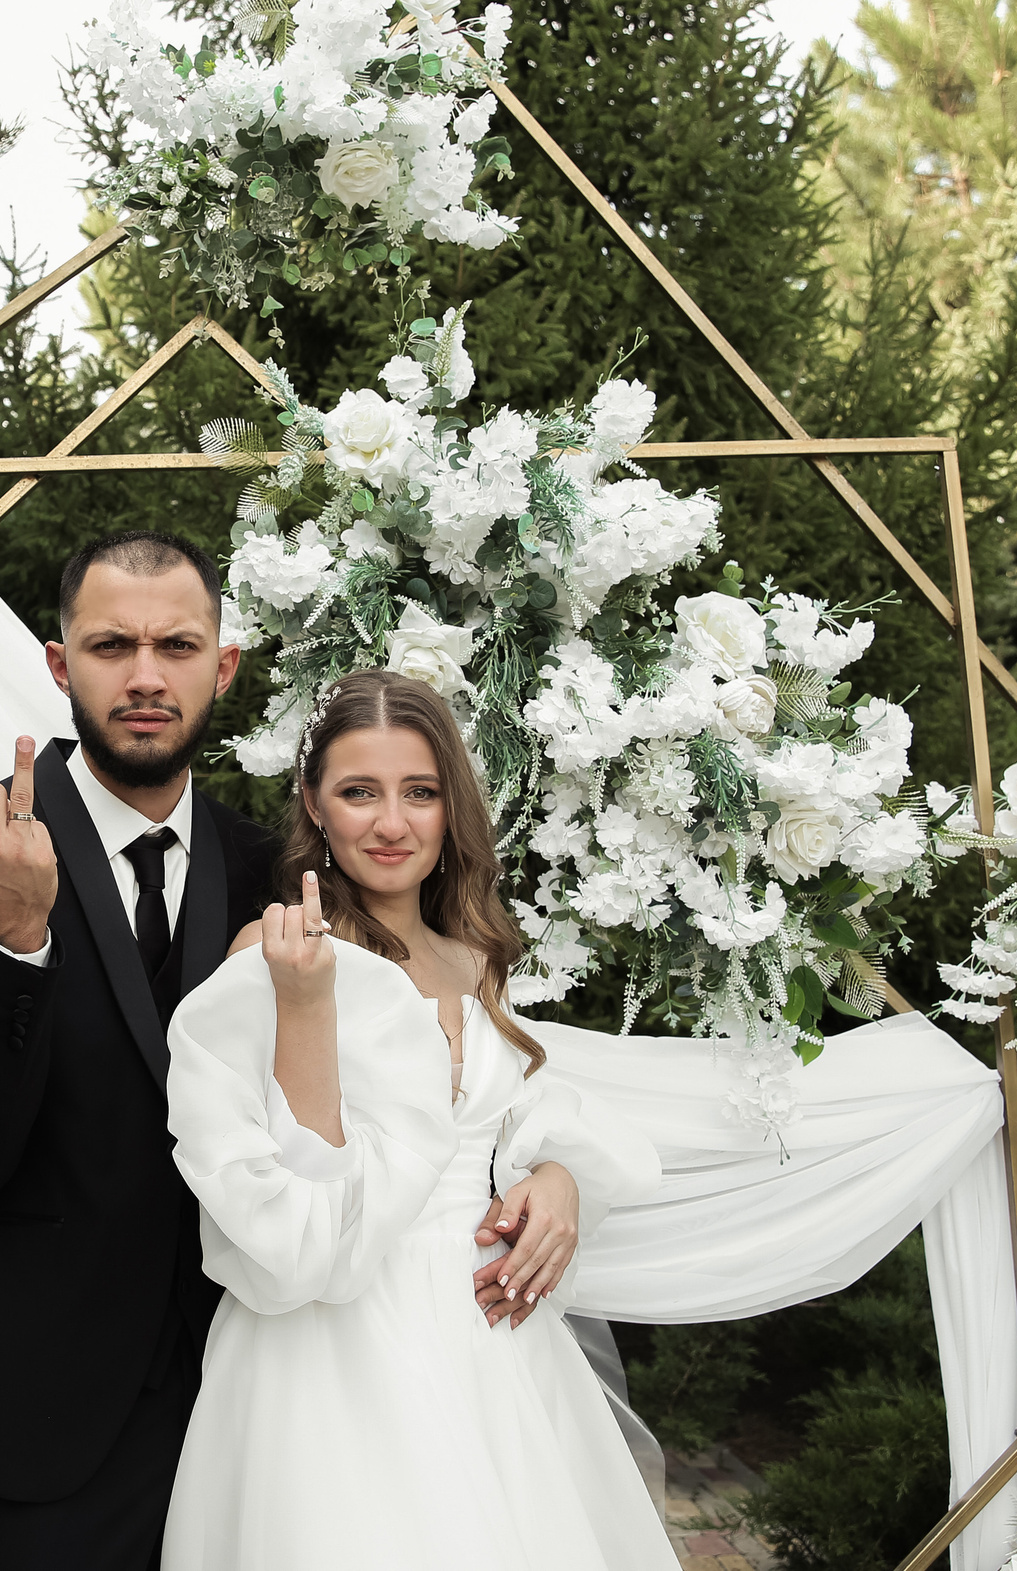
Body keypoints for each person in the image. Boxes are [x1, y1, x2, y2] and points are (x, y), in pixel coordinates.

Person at [159, 668, 680, 1570]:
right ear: (314, 807)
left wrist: (556, 1177)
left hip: (487, 1334)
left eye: (421, 793)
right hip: (331, 1344)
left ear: (451, 810)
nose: (391, 823)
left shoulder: (474, 956)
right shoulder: (273, 952)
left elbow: (508, 1121)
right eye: (359, 792)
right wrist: (309, 1002)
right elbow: (294, 1220)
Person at [0, 531, 276, 1571]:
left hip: (254, 1387)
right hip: (42, 1393)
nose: (146, 676)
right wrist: (14, 943)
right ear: (59, 666)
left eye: (177, 646)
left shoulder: (271, 862)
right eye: (111, 646)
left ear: (222, 667)